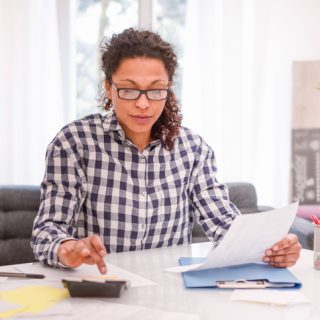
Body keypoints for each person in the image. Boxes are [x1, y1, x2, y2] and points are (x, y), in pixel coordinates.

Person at [31, 28, 301, 274]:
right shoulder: (73, 143)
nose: (143, 104)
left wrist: (272, 247)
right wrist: (67, 248)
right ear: (109, 89)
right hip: (102, 286)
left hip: (172, 292)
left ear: (168, 90)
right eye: (128, 90)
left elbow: (224, 223)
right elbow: (48, 229)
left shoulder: (193, 150)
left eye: (156, 90)